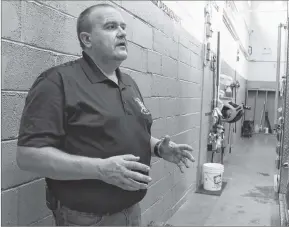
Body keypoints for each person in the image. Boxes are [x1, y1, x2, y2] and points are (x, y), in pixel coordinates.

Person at [16, 4, 195, 226]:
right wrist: (100, 169)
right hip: (86, 218)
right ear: (87, 39)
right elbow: (27, 156)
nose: (122, 33)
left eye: (123, 27)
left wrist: (158, 147)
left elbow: (126, 133)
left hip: (132, 211)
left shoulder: (128, 83)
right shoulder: (57, 82)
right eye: (111, 27)